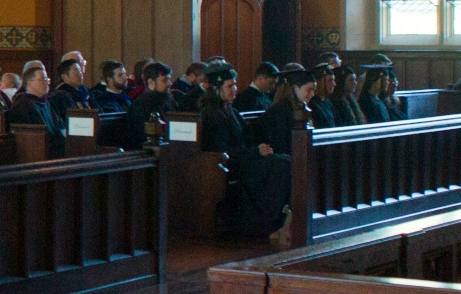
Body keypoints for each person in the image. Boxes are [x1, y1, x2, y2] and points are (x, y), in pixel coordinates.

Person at [197, 67, 292, 239]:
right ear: (217, 88)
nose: (234, 90)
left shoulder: (231, 111)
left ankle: (279, 218)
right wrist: (255, 151)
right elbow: (222, 149)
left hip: (244, 159)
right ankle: (266, 222)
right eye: (229, 86)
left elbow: (246, 138)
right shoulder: (211, 114)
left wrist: (260, 149)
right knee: (280, 166)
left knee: (285, 160)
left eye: (234, 85)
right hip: (230, 164)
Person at [251, 69, 319, 155]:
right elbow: (280, 144)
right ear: (295, 88)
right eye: (309, 90)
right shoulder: (281, 110)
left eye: (314, 90)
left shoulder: (301, 108)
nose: (312, 94)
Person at [6, 67, 66, 159]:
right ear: (30, 83)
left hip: (55, 147)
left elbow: (59, 126)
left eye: (47, 79)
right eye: (42, 79)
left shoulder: (47, 102)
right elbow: (32, 135)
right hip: (37, 152)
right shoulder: (22, 105)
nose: (46, 83)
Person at [122, 62, 175, 150]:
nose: (170, 84)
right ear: (151, 82)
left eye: (169, 79)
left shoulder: (169, 100)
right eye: (165, 80)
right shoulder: (139, 106)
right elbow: (138, 138)